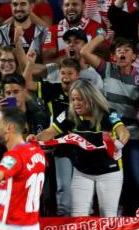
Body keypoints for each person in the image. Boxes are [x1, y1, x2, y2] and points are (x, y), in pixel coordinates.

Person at [35, 80, 128, 217]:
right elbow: (49, 132)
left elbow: (124, 132)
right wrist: (34, 139)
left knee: (108, 216)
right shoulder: (69, 114)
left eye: (80, 99)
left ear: (90, 98)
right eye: (73, 99)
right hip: (82, 171)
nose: (76, 103)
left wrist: (119, 143)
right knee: (78, 216)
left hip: (109, 172)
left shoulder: (108, 112)